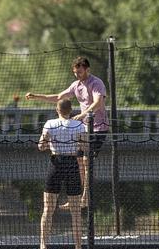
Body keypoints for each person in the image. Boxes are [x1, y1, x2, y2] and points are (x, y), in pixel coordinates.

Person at [25, 56, 108, 207]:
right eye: (75, 73)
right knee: (79, 161)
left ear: (87, 70)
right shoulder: (76, 85)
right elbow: (58, 97)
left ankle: (85, 198)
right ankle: (79, 196)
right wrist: (36, 96)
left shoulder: (96, 83)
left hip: (98, 128)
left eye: (80, 72)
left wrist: (83, 115)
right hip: (84, 128)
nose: (78, 75)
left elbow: (98, 102)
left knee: (86, 160)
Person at [36, 98, 87, 249]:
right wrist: (76, 143)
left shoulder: (50, 124)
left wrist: (51, 142)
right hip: (72, 165)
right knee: (76, 213)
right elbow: (86, 147)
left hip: (55, 164)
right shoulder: (79, 126)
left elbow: (41, 146)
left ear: (57, 110)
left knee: (48, 210)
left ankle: (43, 244)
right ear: (71, 110)